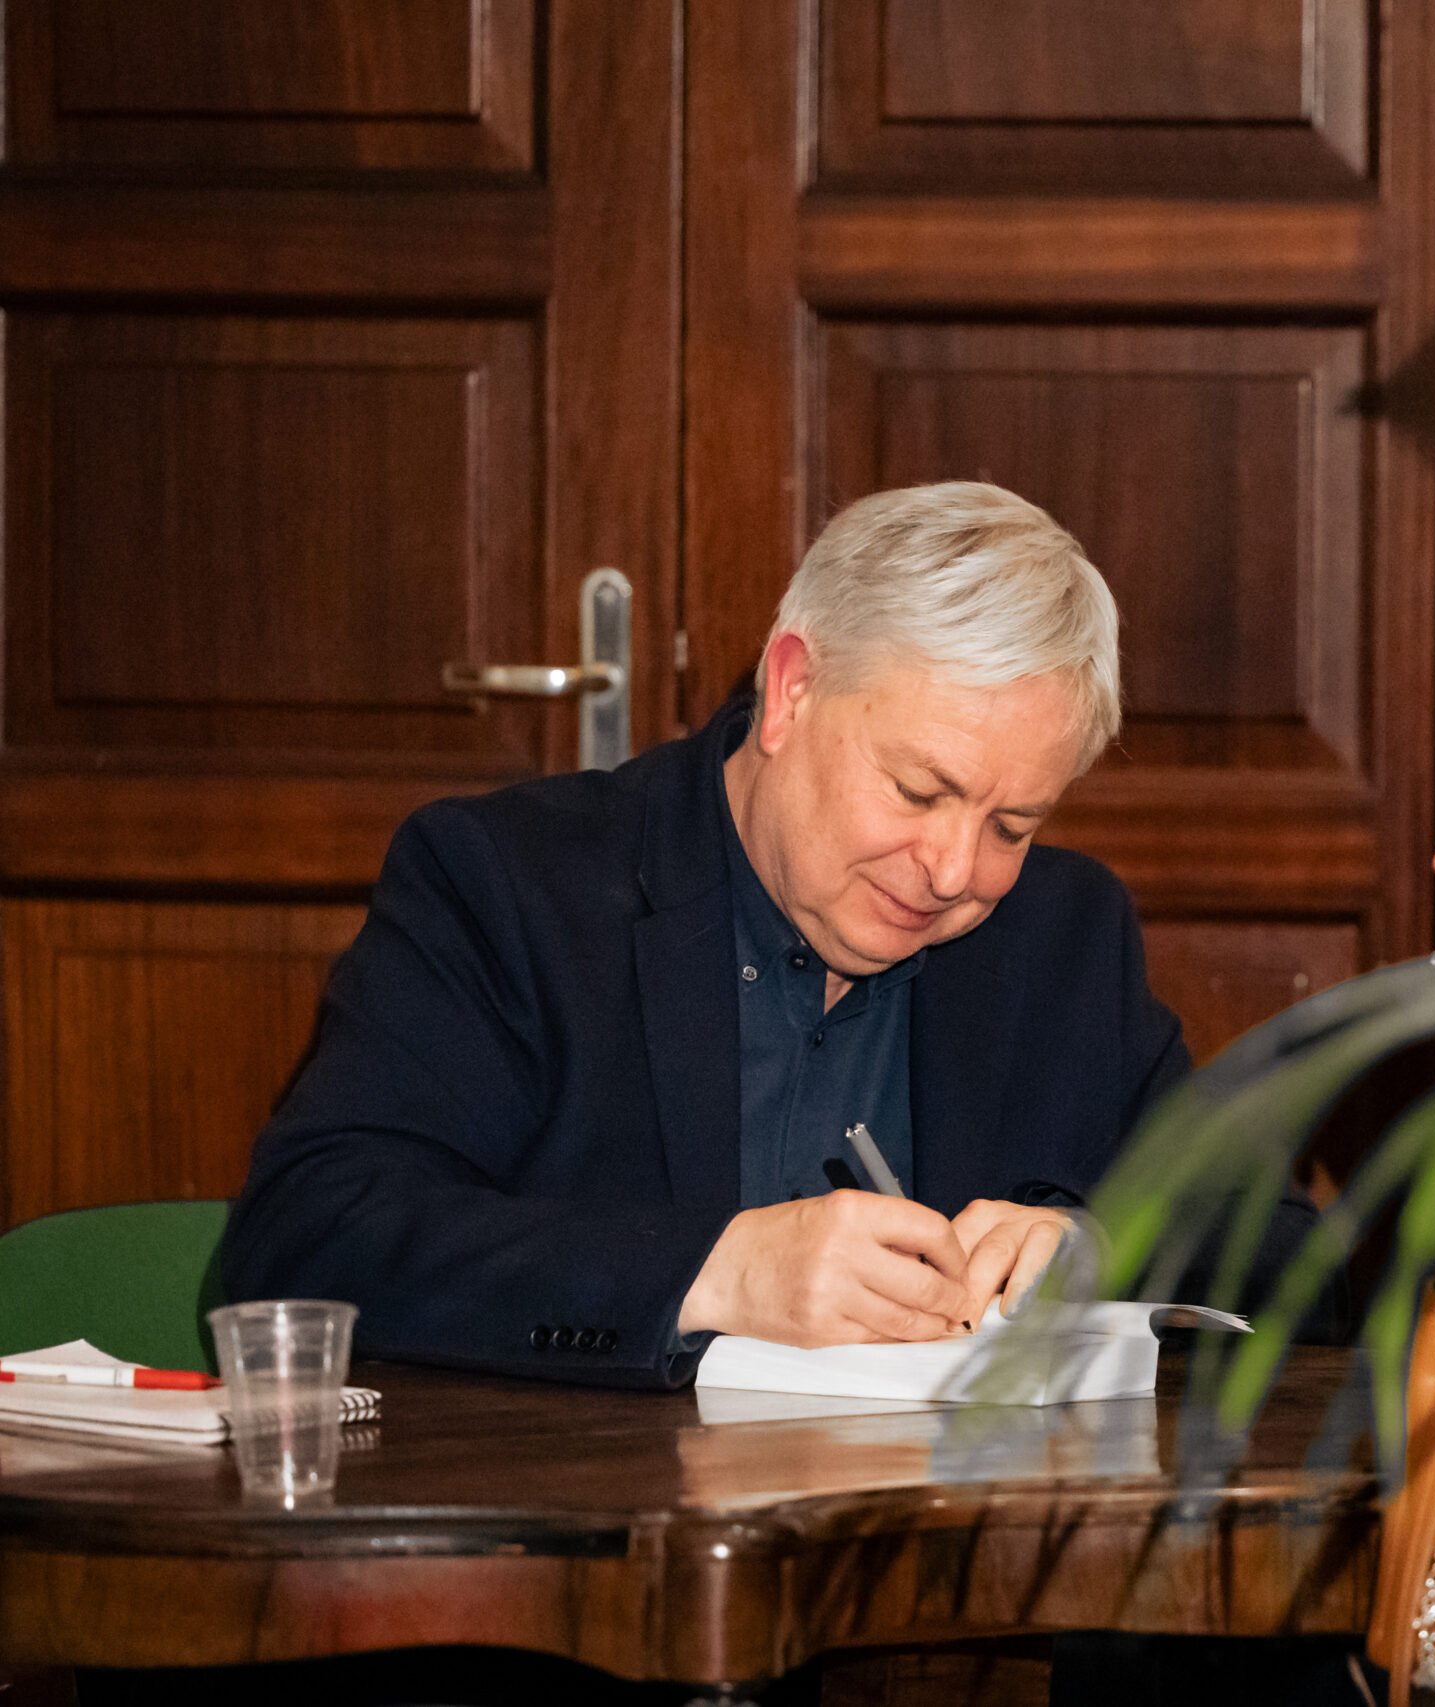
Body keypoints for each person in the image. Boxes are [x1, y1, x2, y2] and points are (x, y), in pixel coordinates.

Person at [224, 481, 1261, 1388]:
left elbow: (1293, 1256)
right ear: (792, 691)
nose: (953, 871)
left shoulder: (1059, 937)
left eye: (1011, 825)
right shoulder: (512, 885)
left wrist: (1099, 1252)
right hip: (611, 1568)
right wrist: (719, 1271)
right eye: (917, 790)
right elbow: (309, 1237)